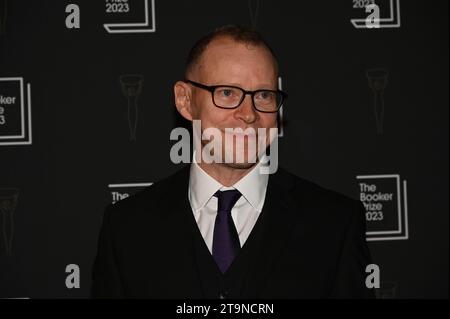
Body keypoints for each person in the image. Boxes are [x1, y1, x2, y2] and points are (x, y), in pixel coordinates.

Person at [91, 25, 375, 299]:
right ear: (185, 100)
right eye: (227, 93)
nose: (249, 114)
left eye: (263, 95)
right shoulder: (127, 228)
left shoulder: (334, 225)